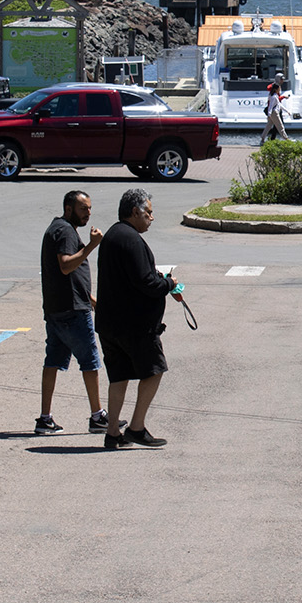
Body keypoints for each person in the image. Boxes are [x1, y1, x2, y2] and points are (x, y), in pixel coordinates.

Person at [98, 188, 177, 449]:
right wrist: (168, 284)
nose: (151, 218)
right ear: (135, 212)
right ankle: (136, 427)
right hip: (134, 326)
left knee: (118, 376)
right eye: (148, 213)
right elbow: (146, 282)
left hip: (110, 323)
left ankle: (112, 432)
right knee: (155, 370)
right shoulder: (131, 239)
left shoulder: (113, 235)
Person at [36, 190, 109, 435]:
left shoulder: (57, 228)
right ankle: (98, 416)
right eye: (83, 209)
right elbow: (66, 265)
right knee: (90, 362)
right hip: (72, 311)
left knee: (53, 361)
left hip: (58, 308)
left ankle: (44, 419)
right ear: (69, 209)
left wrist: (90, 299)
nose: (88, 213)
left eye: (89, 208)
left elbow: (69, 276)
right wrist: (92, 246)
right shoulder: (66, 231)